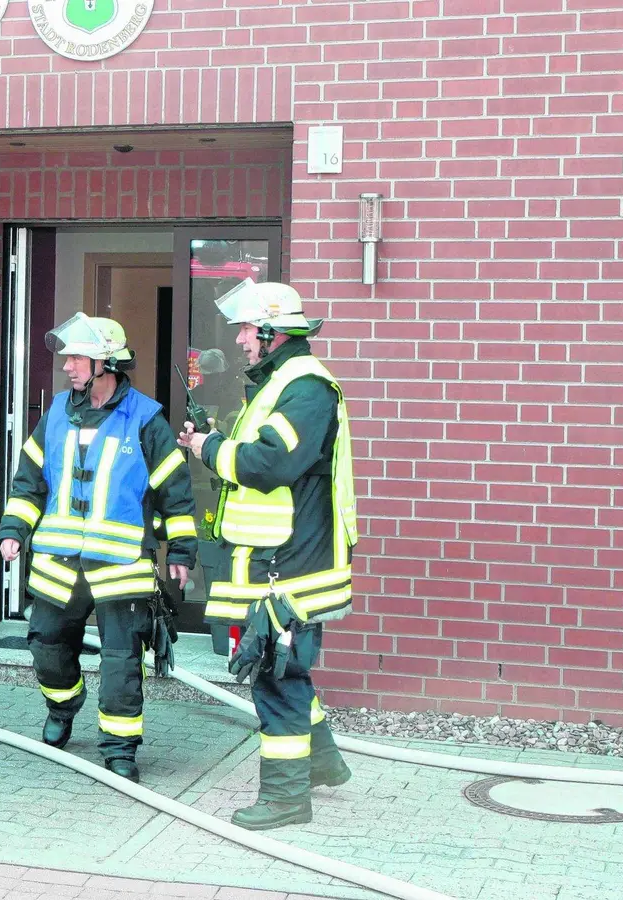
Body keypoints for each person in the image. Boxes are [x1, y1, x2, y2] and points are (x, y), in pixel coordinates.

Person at [177, 280, 359, 830]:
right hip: (275, 563)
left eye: (245, 329)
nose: (238, 339)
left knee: (278, 677)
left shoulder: (306, 388)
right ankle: (322, 763)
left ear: (271, 332)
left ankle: (285, 799)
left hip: (290, 570)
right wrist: (215, 441)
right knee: (286, 670)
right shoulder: (281, 382)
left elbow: (268, 465)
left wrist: (206, 447)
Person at [0, 313, 199, 784]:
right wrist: (13, 530)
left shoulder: (146, 419)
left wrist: (183, 552)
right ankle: (63, 705)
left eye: (77, 358)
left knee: (122, 662)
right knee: (47, 645)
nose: (67, 367)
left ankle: (120, 747)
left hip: (121, 568)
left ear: (105, 363)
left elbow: (176, 491)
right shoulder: (54, 418)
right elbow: (28, 483)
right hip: (57, 565)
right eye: (66, 357)